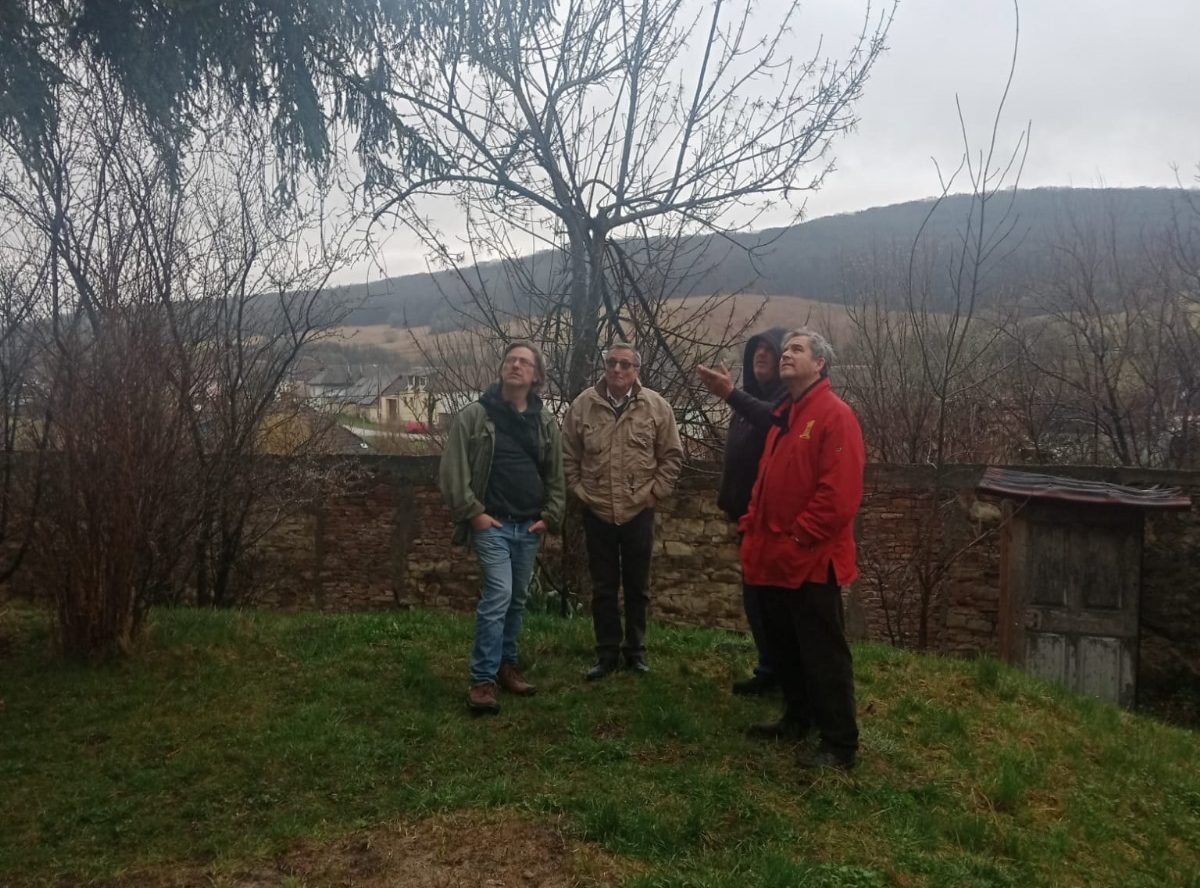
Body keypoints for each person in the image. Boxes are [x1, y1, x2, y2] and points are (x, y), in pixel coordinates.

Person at [738, 328, 865, 770]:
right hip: (774, 556)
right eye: (785, 349)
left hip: (812, 560)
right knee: (786, 646)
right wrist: (752, 524)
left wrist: (798, 537)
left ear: (820, 364)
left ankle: (840, 743)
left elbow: (839, 495)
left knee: (822, 652)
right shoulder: (787, 415)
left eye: (797, 349)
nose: (786, 355)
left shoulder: (835, 415)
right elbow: (766, 480)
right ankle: (797, 718)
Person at [439, 340, 565, 715]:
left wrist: (551, 516)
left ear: (536, 375)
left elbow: (557, 475)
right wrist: (473, 513)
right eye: (511, 360)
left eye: (524, 362)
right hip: (491, 524)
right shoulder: (475, 415)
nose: (515, 365)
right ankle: (483, 681)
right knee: (498, 596)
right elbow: (452, 471)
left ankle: (506, 666)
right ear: (501, 369)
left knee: (516, 600)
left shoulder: (544, 422)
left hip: (528, 527)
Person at [563, 343, 683, 680]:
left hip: (638, 510)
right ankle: (606, 653)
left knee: (637, 586)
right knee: (603, 588)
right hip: (597, 509)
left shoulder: (656, 407)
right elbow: (568, 455)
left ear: (636, 370)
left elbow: (672, 455)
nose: (617, 369)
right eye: (612, 363)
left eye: (625, 364)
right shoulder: (583, 406)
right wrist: (580, 491)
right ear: (605, 366)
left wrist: (655, 493)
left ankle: (636, 651)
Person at [696, 327, 788, 696]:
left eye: (769, 350)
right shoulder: (749, 402)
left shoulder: (783, 404)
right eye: (756, 350)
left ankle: (783, 674)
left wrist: (731, 394)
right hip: (745, 519)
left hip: (770, 522)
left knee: (772, 602)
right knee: (755, 600)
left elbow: (772, 419)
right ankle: (769, 667)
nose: (760, 355)